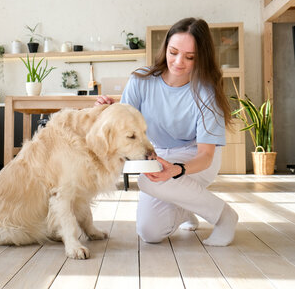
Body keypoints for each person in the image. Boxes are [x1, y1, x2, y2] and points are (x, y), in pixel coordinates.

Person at [96, 17, 238, 246]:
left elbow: (206, 155)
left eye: (190, 57)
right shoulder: (141, 80)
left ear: (201, 58)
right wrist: (105, 110)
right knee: (149, 233)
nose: (179, 62)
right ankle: (186, 206)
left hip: (196, 157)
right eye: (173, 52)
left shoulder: (206, 92)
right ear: (165, 49)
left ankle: (224, 216)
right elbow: (124, 121)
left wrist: (178, 169)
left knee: (148, 181)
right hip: (159, 152)